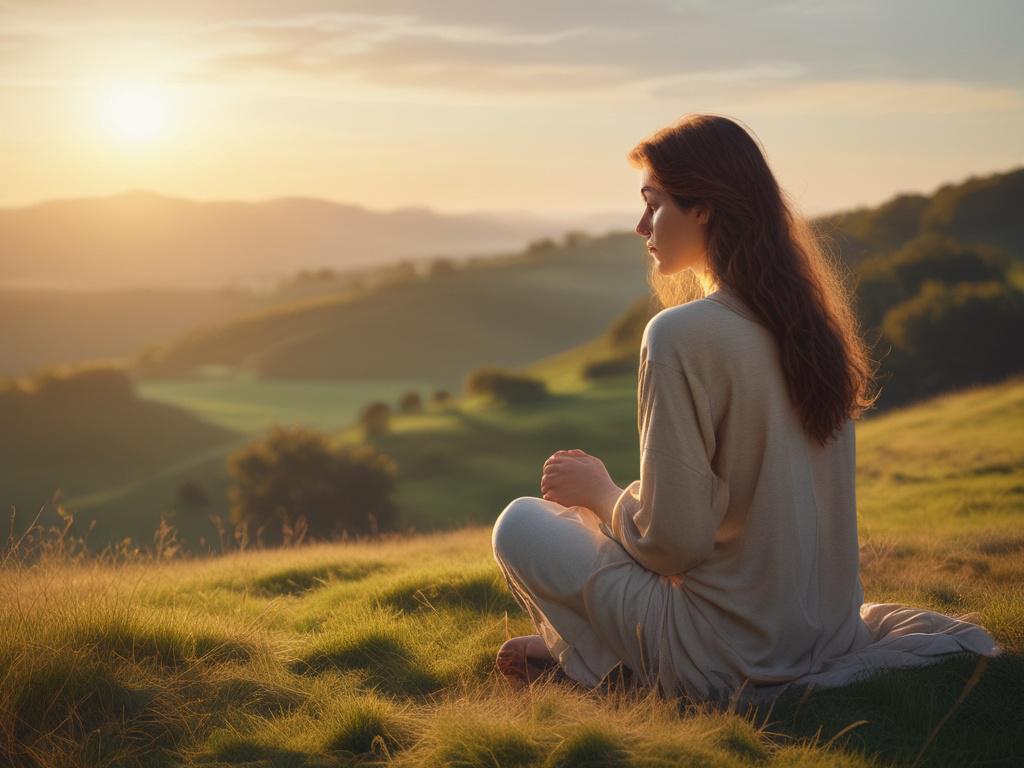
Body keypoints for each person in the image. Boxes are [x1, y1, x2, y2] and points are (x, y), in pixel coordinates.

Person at [491, 113, 1001, 705]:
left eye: (654, 205)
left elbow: (674, 546)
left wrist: (601, 493)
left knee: (522, 524)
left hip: (728, 652)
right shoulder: (810, 326)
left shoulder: (678, 335)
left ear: (703, 208)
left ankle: (602, 664)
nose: (641, 225)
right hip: (826, 634)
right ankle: (588, 653)